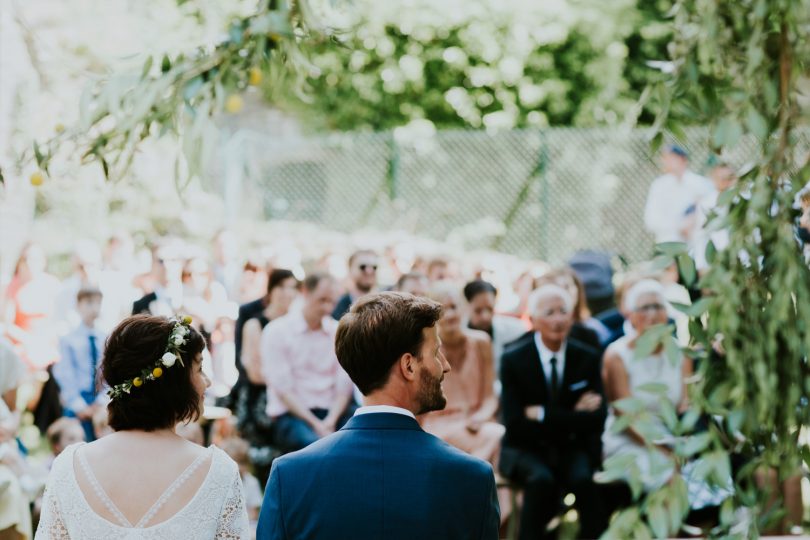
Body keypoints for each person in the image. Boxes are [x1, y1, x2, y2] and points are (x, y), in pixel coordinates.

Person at [257, 292, 500, 540]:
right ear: (409, 366)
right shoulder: (473, 479)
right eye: (436, 352)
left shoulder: (290, 476)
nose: (445, 365)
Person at [36, 315, 249, 538]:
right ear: (173, 380)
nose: (208, 381)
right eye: (200, 368)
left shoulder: (69, 468)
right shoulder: (219, 473)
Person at [500, 284, 607, 540]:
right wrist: (572, 415)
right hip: (526, 449)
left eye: (563, 311)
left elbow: (595, 420)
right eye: (549, 312)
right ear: (533, 319)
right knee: (541, 480)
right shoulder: (513, 359)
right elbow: (515, 424)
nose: (558, 319)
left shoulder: (588, 357)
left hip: (571, 447)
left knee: (584, 480)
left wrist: (544, 415)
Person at [261, 273, 354, 453]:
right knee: (314, 449)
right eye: (322, 300)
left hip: (334, 412)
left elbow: (344, 386)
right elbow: (283, 390)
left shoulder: (338, 331)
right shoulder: (277, 331)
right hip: (292, 415)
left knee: (358, 441)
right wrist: (317, 425)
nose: (327, 308)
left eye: (332, 302)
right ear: (304, 292)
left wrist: (330, 421)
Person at [421, 283, 503, 465]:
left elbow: (490, 397)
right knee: (495, 436)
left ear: (464, 308)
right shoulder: (427, 349)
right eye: (442, 310)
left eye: (454, 307)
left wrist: (480, 417)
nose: (450, 315)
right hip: (438, 426)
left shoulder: (482, 342)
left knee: (498, 435)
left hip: (476, 423)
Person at [235, 269, 297, 479]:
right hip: (259, 398)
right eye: (282, 287)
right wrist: (285, 380)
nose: (287, 293)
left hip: (291, 398)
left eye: (292, 288)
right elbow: (254, 372)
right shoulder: (254, 324)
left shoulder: (296, 327)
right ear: (271, 290)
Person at [53, 287, 106, 441]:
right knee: (76, 443)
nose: (94, 308)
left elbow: (108, 372)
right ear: (78, 305)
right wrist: (79, 406)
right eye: (89, 303)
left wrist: (101, 401)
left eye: (98, 303)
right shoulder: (68, 339)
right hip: (77, 404)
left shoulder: (105, 338)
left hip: (100, 403)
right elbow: (64, 374)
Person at [643, 144, 713, 244]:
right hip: (668, 243)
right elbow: (650, 220)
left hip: (697, 242)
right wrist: (680, 226)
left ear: (682, 160)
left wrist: (694, 220)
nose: (665, 162)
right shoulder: (658, 186)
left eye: (671, 158)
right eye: (664, 158)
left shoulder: (700, 184)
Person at [463, 279, 527, 374]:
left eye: (490, 309)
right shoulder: (457, 333)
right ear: (466, 306)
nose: (485, 317)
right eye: (478, 310)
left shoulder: (516, 329)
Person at [332, 249, 378, 319]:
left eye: (374, 267)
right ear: (350, 269)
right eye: (363, 267)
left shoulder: (385, 304)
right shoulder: (336, 305)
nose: (369, 271)